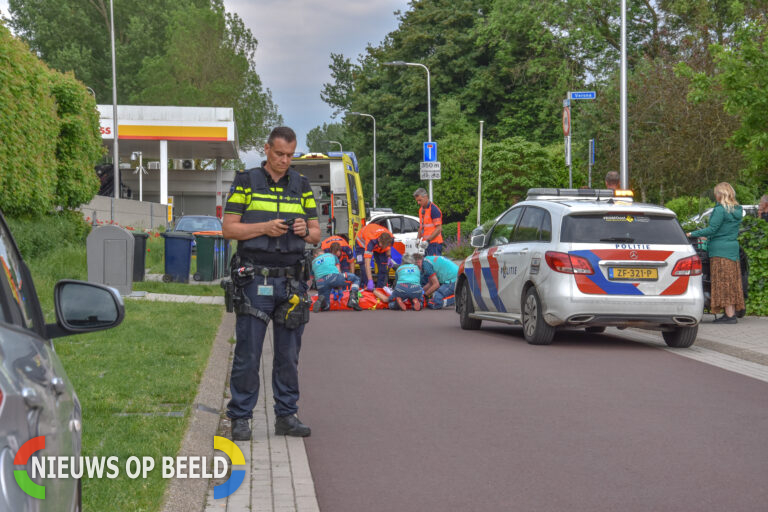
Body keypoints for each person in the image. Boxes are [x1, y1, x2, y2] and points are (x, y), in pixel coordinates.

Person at [222, 126, 320, 440]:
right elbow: (229, 229)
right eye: (279, 154)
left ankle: (286, 416)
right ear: (267, 150)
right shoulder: (246, 181)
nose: (284, 160)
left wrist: (305, 229)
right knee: (248, 353)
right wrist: (265, 227)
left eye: (290, 155)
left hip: (292, 282)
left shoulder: (302, 185)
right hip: (255, 279)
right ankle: (240, 418)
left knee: (288, 355)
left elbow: (318, 234)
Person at [687, 182, 745, 324]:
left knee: (722, 282)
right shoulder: (737, 209)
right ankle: (730, 313)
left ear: (720, 194)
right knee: (731, 282)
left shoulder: (720, 210)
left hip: (719, 251)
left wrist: (692, 233)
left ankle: (729, 316)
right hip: (732, 249)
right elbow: (724, 230)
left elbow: (712, 229)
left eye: (716, 193)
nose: (715, 195)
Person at [311, 243, 362, 312]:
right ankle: (353, 299)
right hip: (333, 277)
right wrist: (339, 287)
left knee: (326, 307)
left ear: (315, 255)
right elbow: (338, 271)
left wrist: (304, 291)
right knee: (355, 278)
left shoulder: (313, 262)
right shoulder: (331, 256)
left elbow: (310, 279)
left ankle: (324, 303)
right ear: (323, 252)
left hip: (320, 283)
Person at [354, 222, 394, 290]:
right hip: (361, 244)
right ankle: (365, 287)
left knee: (383, 267)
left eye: (385, 247)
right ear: (379, 240)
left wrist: (389, 257)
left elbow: (388, 247)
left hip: (378, 244)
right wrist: (370, 280)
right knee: (363, 267)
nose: (384, 248)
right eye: (382, 246)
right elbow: (367, 263)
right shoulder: (370, 241)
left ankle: (380, 289)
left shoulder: (391, 238)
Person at [414, 188, 444, 255]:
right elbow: (421, 226)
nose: (418, 203)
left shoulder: (434, 209)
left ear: (426, 197)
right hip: (427, 244)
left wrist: (427, 241)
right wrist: (418, 239)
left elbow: (439, 228)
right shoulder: (421, 210)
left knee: (434, 264)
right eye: (417, 201)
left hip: (435, 244)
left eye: (420, 200)